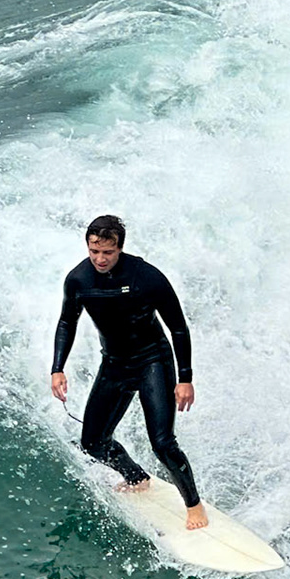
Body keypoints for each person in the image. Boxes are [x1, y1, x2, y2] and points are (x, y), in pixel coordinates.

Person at [50, 215, 208, 530]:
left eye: (107, 252)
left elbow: (178, 327)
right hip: (114, 364)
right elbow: (67, 321)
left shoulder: (146, 278)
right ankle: (136, 477)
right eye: (94, 251)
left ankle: (194, 505)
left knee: (162, 443)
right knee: (93, 442)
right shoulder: (79, 280)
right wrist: (58, 368)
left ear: (120, 248)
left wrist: (185, 378)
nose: (100, 259)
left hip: (153, 360)